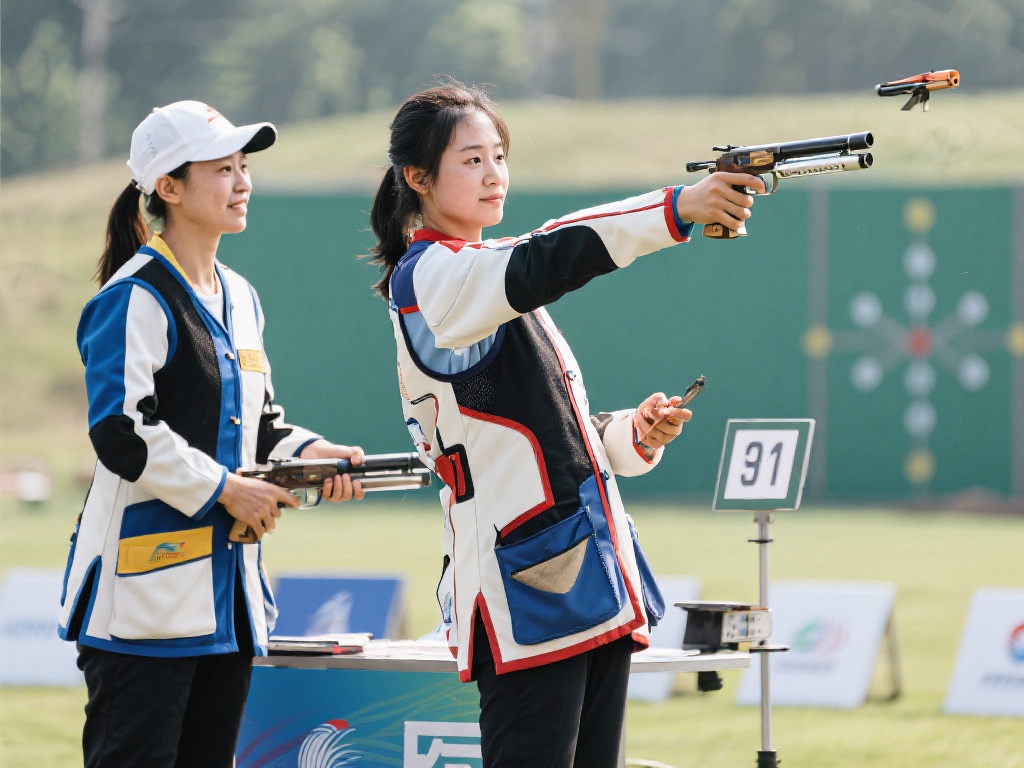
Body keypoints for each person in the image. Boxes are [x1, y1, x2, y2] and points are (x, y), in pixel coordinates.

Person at [369, 80, 765, 767]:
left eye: (499, 156)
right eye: (471, 160)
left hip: (577, 581)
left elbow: (545, 433)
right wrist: (678, 207)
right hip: (532, 589)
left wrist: (629, 434)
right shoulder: (432, 274)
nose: (494, 174)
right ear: (418, 178)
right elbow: (549, 252)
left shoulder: (472, 276)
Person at [58, 100, 366, 768]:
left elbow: (260, 425)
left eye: (243, 166)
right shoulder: (132, 296)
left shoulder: (241, 296)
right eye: (222, 169)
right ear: (168, 188)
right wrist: (227, 489)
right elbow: (121, 432)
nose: (242, 181)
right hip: (141, 608)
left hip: (228, 607)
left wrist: (317, 457)